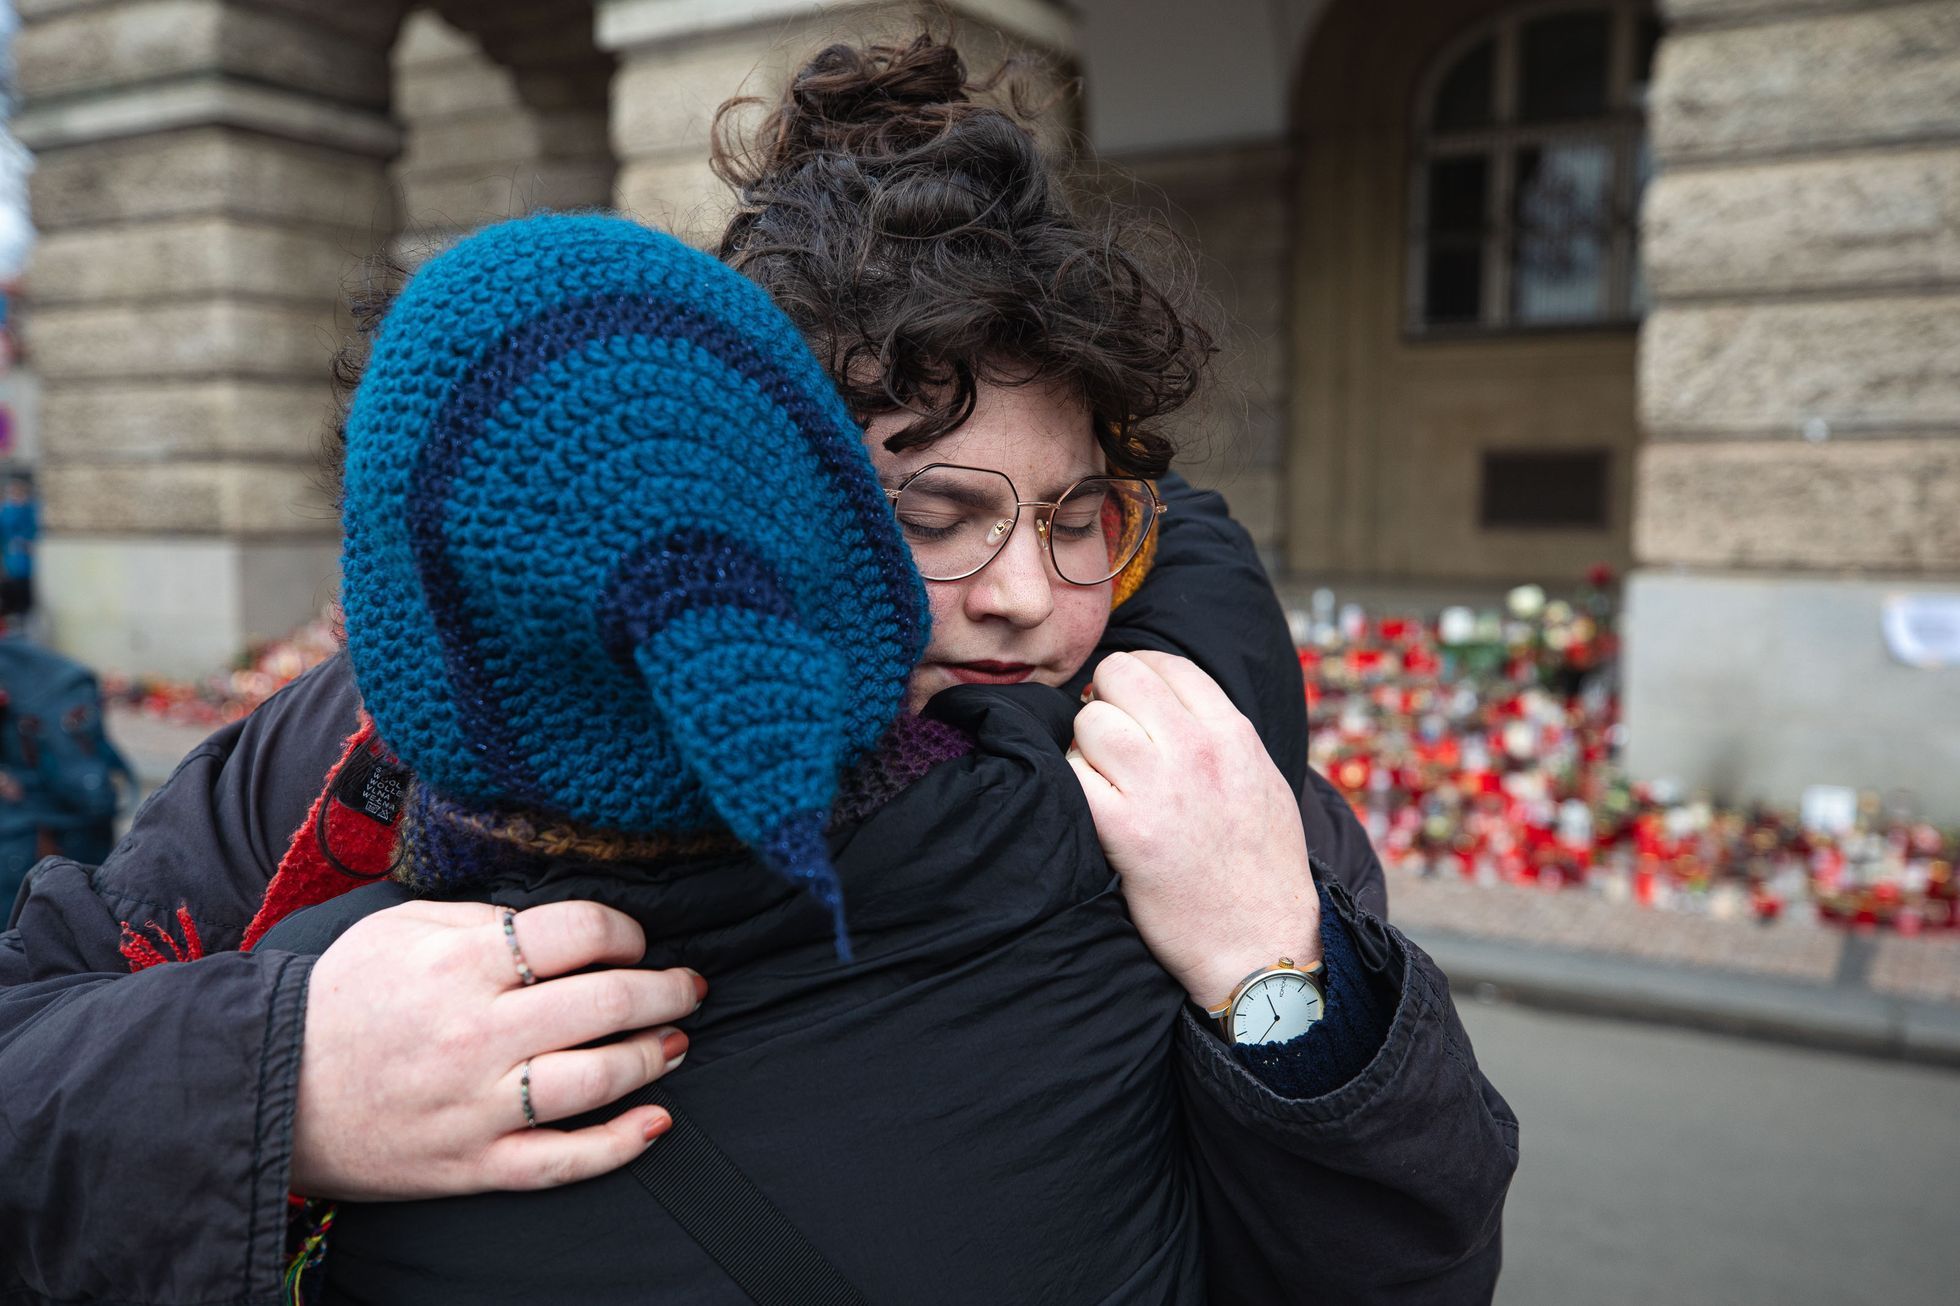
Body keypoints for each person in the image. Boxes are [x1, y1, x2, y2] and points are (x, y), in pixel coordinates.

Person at [0, 34, 1515, 1305]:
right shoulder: (373, 741)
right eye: (935, 513)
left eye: (1076, 517)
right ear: (771, 497)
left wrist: (1279, 976)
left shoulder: (1195, 798)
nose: (1030, 602)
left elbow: (1397, 1262)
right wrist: (284, 1078)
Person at [0, 473, 34, 626]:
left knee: (25, 589)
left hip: (27, 560)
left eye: (18, 492)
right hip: (11, 559)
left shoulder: (30, 510)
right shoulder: (6, 511)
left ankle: (22, 614)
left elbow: (33, 531)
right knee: (12, 589)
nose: (15, 496)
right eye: (13, 492)